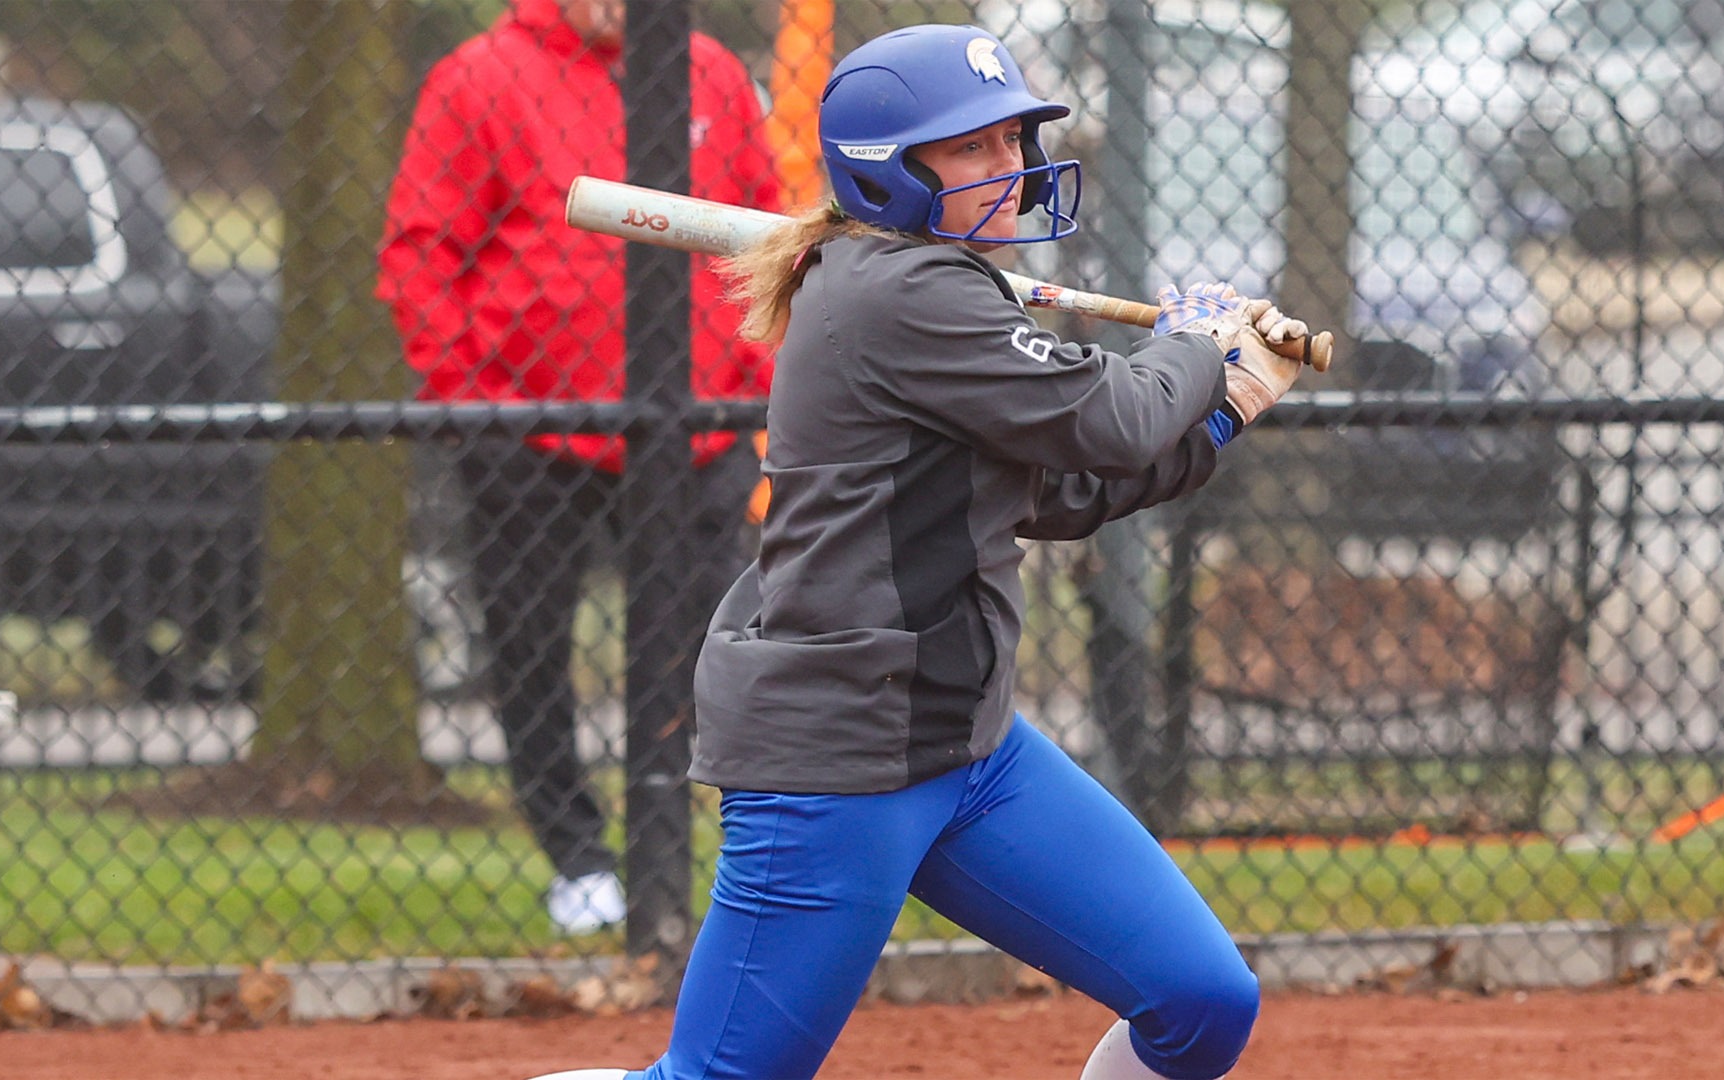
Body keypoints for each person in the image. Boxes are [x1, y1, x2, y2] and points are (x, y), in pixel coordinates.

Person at [531, 22, 1317, 1080]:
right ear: (887, 172)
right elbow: (1115, 417)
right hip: (836, 758)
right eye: (970, 147)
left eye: (1011, 141)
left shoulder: (941, 288)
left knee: (1201, 1002)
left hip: (967, 747)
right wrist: (1193, 343)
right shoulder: (899, 293)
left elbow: (1068, 491)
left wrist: (1224, 407)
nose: (1010, 166)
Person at [376, 0, 780, 935]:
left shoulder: (712, 73)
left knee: (725, 646)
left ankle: (723, 859)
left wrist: (752, 383)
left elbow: (766, 239)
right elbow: (419, 255)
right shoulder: (477, 78)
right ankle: (580, 859)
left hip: (698, 431)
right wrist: (476, 403)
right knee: (529, 648)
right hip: (531, 433)